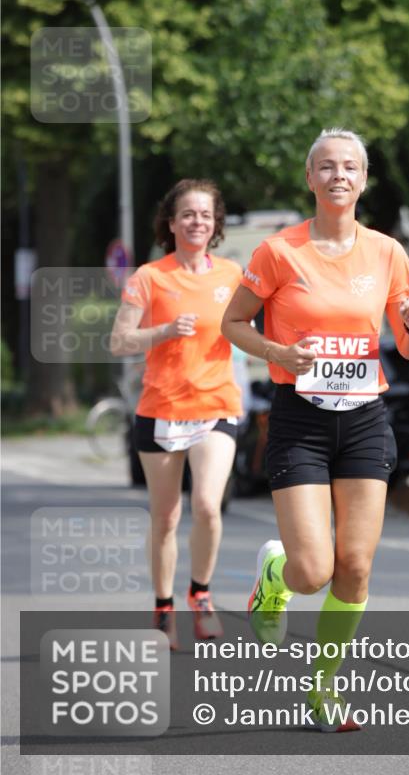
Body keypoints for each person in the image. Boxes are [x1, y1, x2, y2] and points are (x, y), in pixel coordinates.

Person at [222, 128, 409, 730]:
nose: (339, 175)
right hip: (300, 422)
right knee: (313, 570)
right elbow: (232, 323)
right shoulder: (278, 251)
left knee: (356, 567)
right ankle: (273, 575)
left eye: (351, 167)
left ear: (363, 181)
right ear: (310, 179)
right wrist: (277, 352)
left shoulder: (388, 252)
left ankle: (324, 688)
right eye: (327, 167)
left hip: (365, 419)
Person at [111, 179, 242, 647]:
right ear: (171, 222)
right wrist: (164, 330)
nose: (197, 222)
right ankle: (163, 606)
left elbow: (253, 324)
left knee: (208, 505)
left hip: (216, 405)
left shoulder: (232, 275)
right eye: (188, 214)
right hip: (161, 407)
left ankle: (200, 594)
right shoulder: (149, 277)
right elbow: (119, 340)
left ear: (216, 224)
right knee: (166, 517)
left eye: (206, 215)